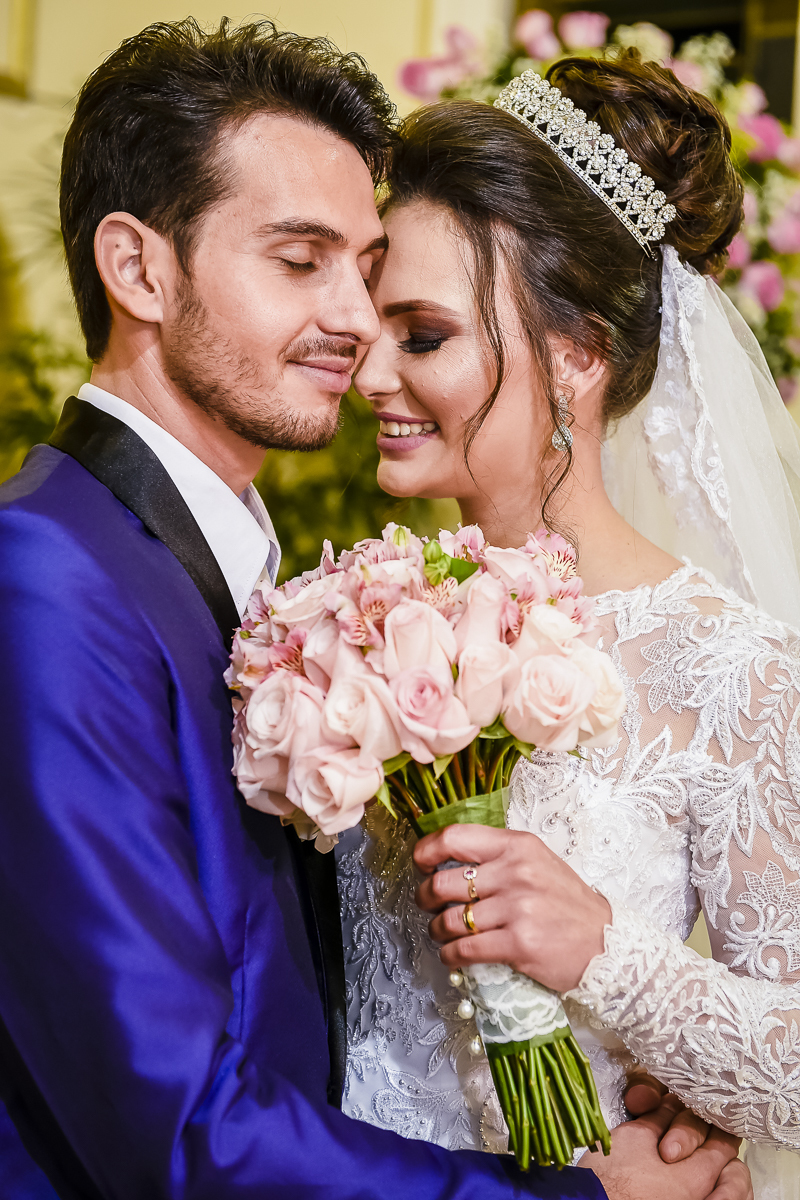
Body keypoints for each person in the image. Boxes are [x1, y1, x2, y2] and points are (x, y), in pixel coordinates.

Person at [0, 16, 746, 1200]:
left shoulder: (282, 588)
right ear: (138, 269)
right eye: (301, 262)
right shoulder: (43, 576)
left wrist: (651, 1026)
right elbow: (173, 1118)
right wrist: (578, 1196)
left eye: (364, 266)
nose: (356, 322)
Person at [346, 51, 800, 1199]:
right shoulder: (352, 622)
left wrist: (606, 953)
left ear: (576, 357)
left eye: (422, 336)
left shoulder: (726, 667)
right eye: (371, 325)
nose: (368, 375)